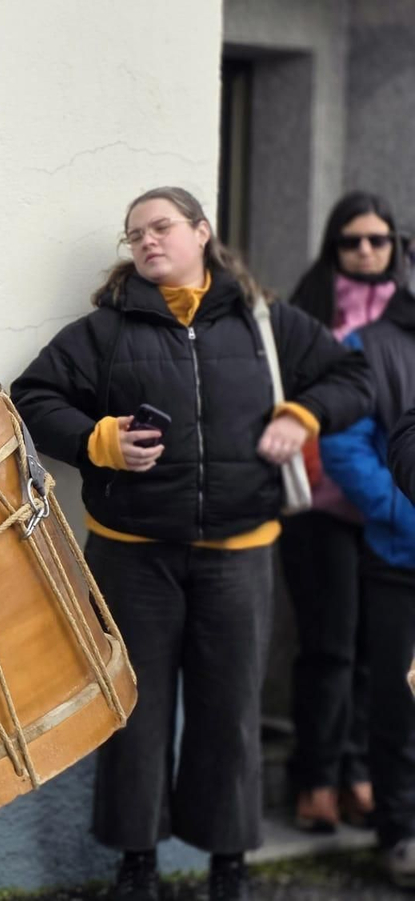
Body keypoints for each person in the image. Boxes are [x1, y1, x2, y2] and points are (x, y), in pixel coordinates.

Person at [11, 187, 372, 901]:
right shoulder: (105, 331)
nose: (147, 241)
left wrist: (303, 415)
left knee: (229, 709)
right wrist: (99, 440)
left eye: (162, 227)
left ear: (202, 232)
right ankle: (136, 862)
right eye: (134, 233)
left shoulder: (265, 323)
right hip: (131, 553)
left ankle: (228, 863)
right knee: (136, 710)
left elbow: (352, 377)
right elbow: (32, 399)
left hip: (239, 551)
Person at [279, 191, 408, 833]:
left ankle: (359, 772)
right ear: (333, 246)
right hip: (322, 507)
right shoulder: (308, 312)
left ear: (395, 247)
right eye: (351, 240)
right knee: (327, 647)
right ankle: (315, 775)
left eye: (377, 240)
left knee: (373, 653)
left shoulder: (403, 318)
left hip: (388, 519)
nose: (365, 250)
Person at [316, 199, 415, 886]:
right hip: (400, 555)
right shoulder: (370, 345)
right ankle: (401, 831)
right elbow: (348, 449)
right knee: (399, 704)